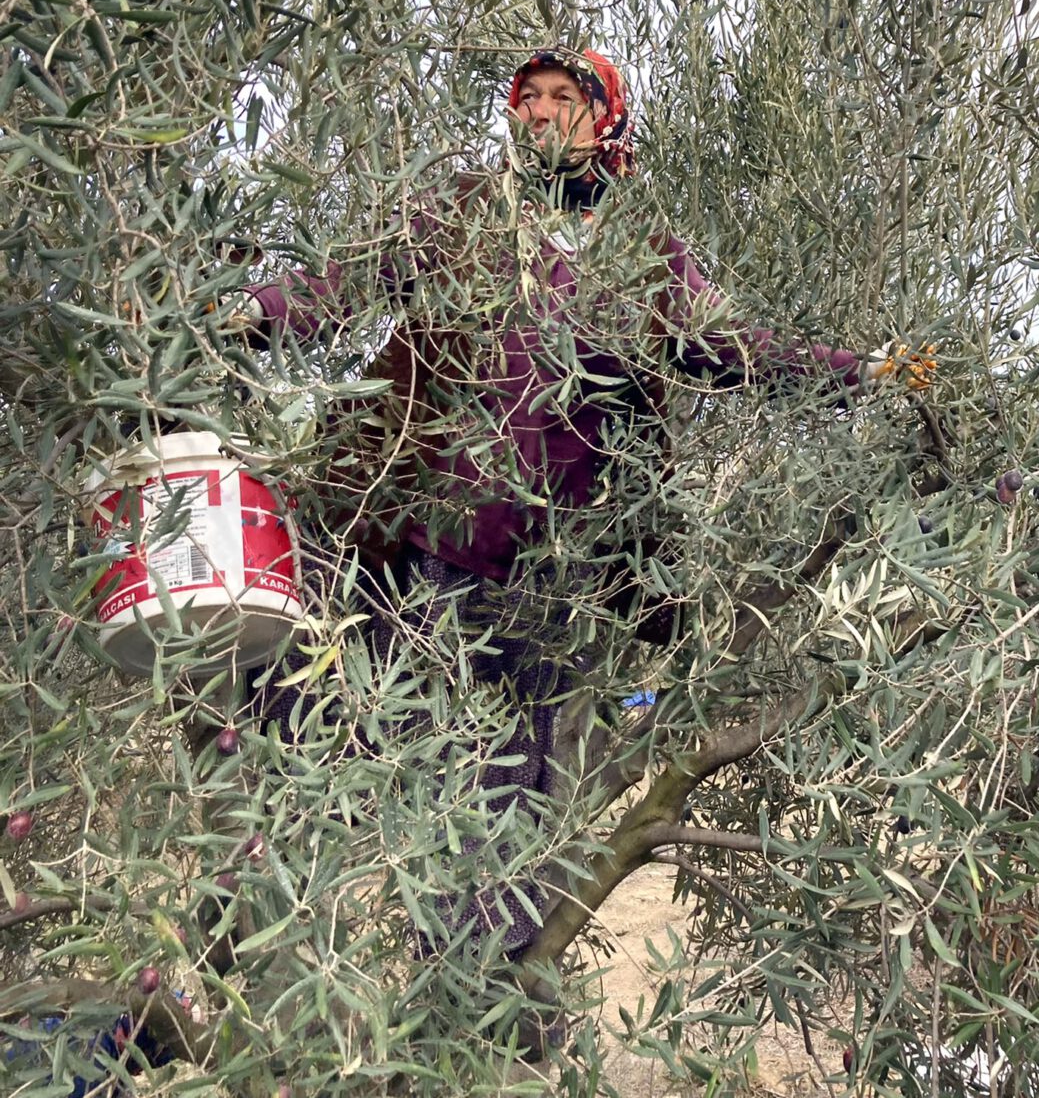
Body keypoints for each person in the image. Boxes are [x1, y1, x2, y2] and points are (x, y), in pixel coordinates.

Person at [238, 48, 928, 969]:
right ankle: (250, 957)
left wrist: (864, 370)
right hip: (404, 539)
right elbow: (349, 279)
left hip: (536, 584)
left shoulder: (642, 256)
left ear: (606, 118)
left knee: (497, 812)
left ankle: (476, 1017)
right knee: (301, 729)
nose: (541, 113)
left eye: (567, 98)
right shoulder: (465, 211)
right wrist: (252, 309)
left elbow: (727, 347)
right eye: (528, 99)